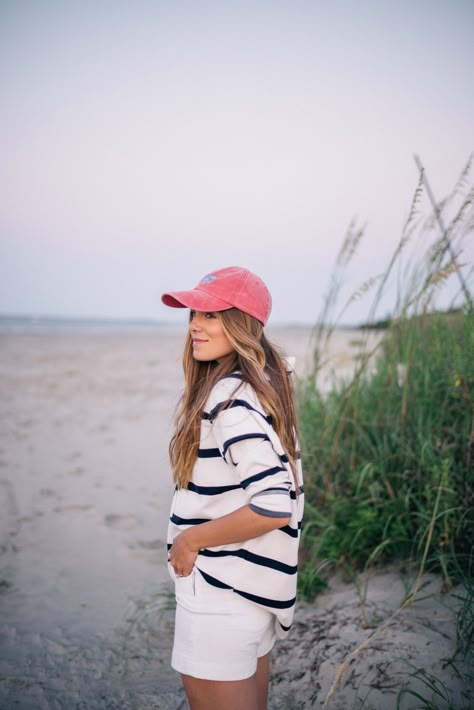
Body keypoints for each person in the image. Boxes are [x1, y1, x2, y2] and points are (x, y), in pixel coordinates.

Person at [161, 266, 304, 710]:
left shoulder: (230, 401)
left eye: (212, 315)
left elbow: (274, 504)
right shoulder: (262, 388)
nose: (195, 326)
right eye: (194, 314)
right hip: (251, 588)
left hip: (221, 592)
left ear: (243, 326)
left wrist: (189, 540)